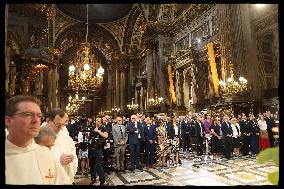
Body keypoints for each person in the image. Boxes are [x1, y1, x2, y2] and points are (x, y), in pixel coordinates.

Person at [5, 95, 68, 184]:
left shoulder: (47, 155)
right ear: (8, 121)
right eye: (28, 115)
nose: (36, 120)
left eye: (38, 116)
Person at [47, 109, 78, 184]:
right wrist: (58, 161)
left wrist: (71, 158)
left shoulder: (64, 132)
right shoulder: (39, 136)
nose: (61, 128)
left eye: (63, 124)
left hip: (66, 177)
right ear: (48, 121)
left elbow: (72, 149)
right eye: (58, 125)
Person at [88, 116, 108, 186]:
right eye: (96, 121)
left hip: (98, 149)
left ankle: (102, 180)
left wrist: (98, 131)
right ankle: (93, 178)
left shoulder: (103, 128)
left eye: (99, 121)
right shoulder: (92, 127)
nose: (97, 122)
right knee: (92, 165)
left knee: (99, 165)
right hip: (91, 148)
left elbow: (106, 136)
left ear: (101, 121)